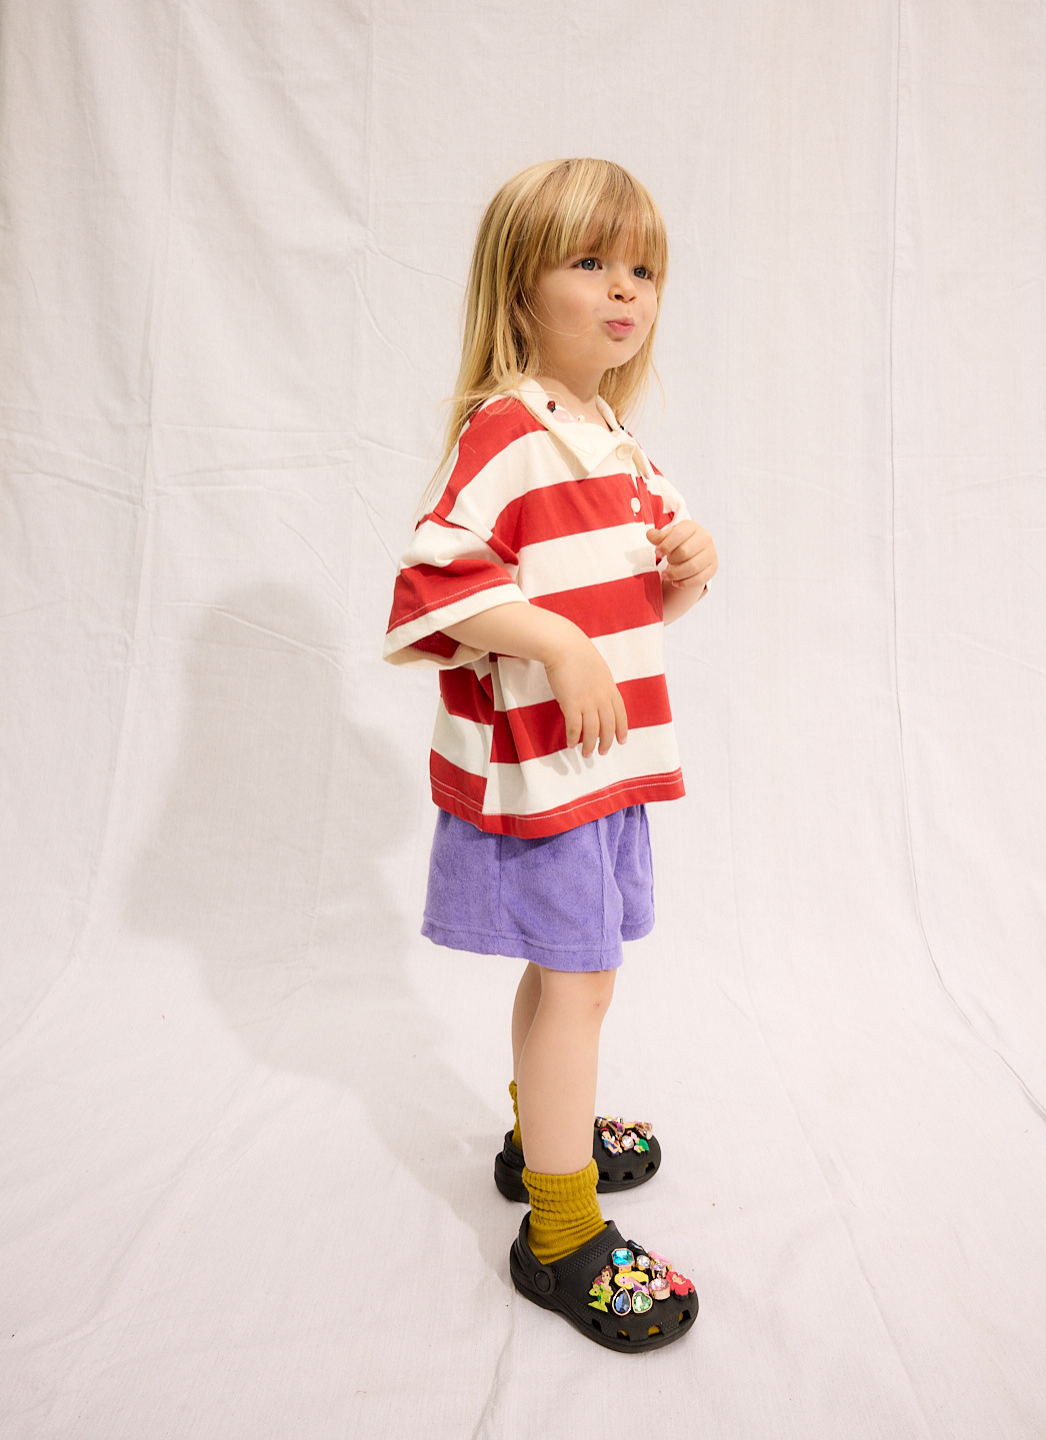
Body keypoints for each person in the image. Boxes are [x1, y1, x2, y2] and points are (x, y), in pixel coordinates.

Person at [384, 158, 717, 1351]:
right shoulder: (510, 429)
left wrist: (681, 572)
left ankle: (542, 1141)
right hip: (544, 769)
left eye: (644, 270)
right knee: (577, 978)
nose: (625, 293)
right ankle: (562, 1233)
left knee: (584, 973)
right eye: (591, 263)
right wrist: (561, 648)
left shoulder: (613, 435)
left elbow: (622, 600)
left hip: (600, 762)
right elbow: (439, 582)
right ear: (520, 292)